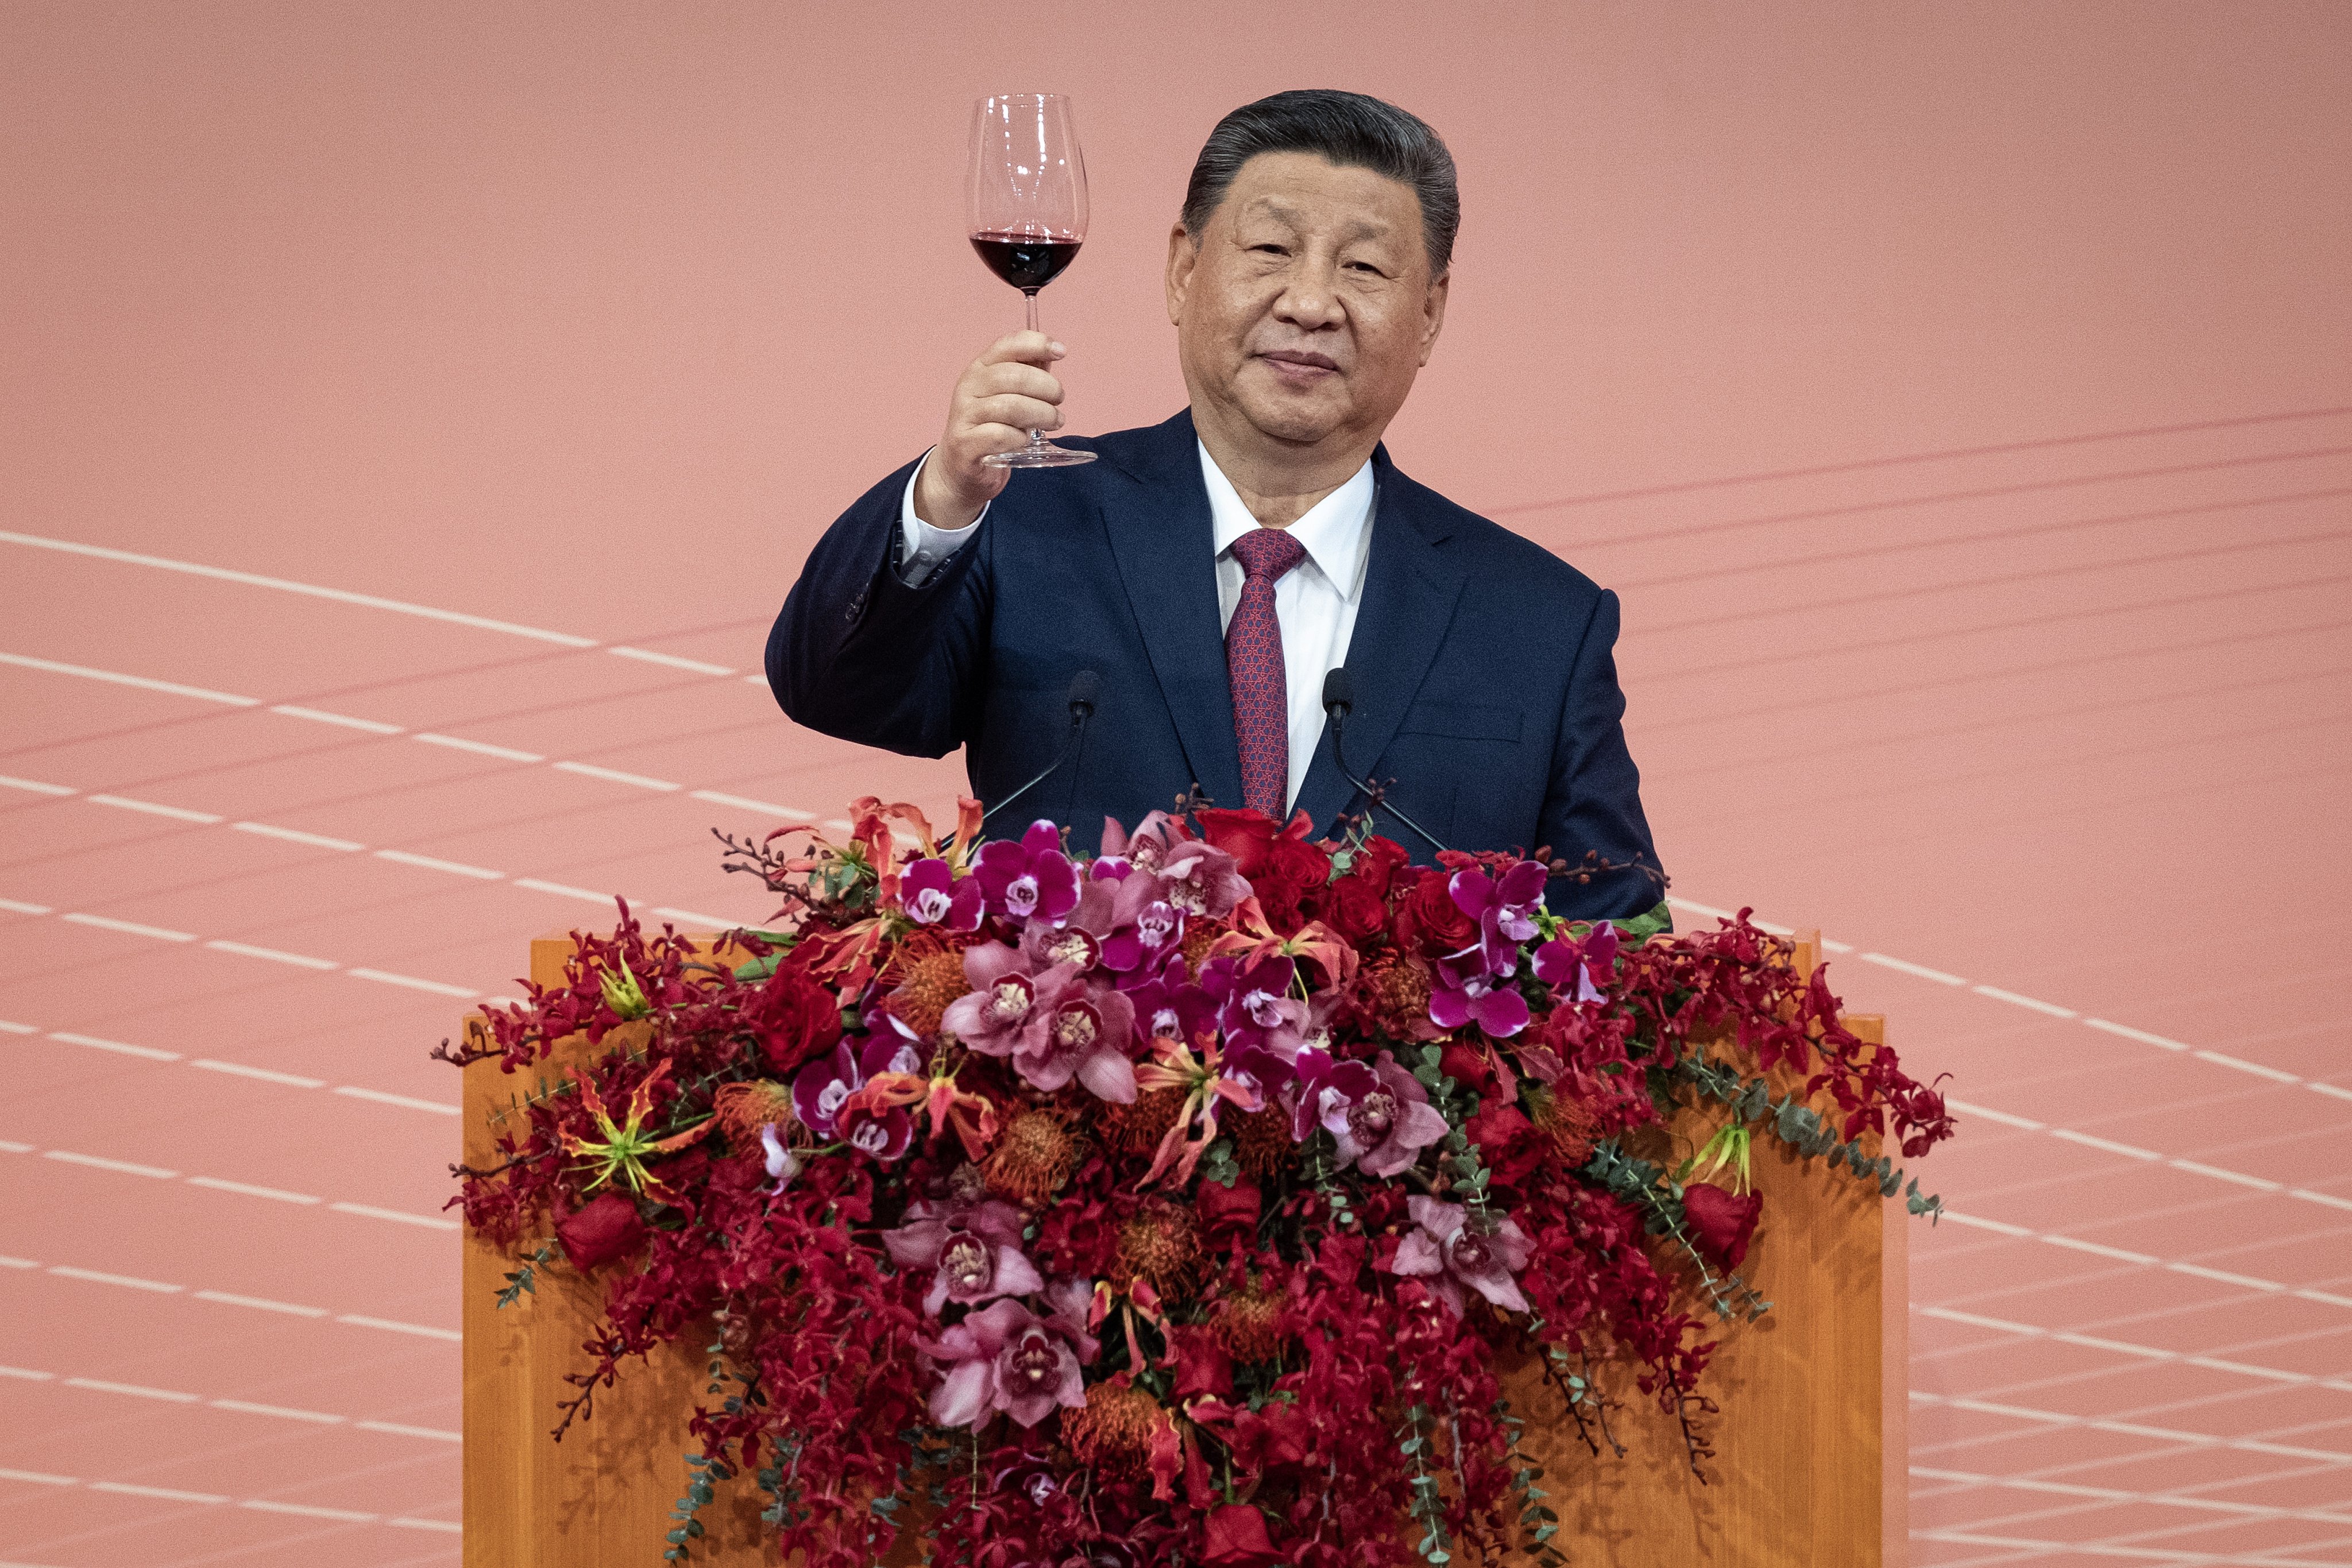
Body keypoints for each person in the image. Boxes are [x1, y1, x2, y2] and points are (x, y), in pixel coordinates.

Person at [770, 90, 1663, 918]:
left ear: (1428, 316)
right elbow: (835, 692)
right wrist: (947, 493)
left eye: (1363, 267)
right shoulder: (1026, 523)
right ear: (1182, 272)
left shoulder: (1543, 623)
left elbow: (1624, 939)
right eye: (1271, 250)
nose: (1311, 302)